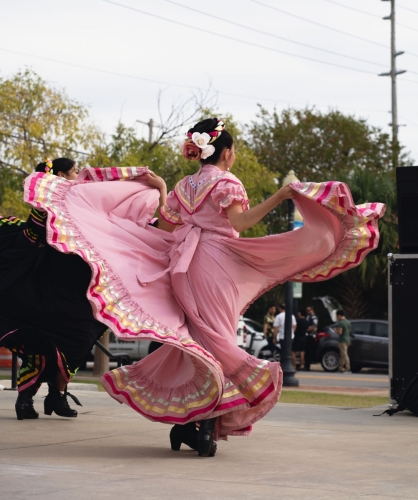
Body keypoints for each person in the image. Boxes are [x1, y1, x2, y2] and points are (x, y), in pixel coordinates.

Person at [20, 118, 385, 457]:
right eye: (234, 150)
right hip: (216, 263)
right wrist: (280, 196)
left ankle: (189, 423)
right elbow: (240, 220)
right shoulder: (227, 183)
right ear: (226, 152)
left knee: (199, 340)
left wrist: (133, 222)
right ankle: (205, 425)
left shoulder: (185, 186)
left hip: (185, 265)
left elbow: (165, 229)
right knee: (218, 339)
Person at [0, 158, 106, 420]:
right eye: (73, 171)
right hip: (44, 286)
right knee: (46, 340)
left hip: (71, 284)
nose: (78, 174)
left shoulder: (80, 203)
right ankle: (27, 399)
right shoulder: (47, 205)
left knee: (78, 338)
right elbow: (31, 237)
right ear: (61, 175)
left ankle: (55, 396)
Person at [303, 305, 319, 371]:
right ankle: (306, 365)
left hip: (311, 336)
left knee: (309, 351)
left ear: (312, 310)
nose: (307, 311)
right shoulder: (308, 317)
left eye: (309, 310)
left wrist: (306, 330)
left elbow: (314, 327)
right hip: (307, 335)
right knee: (306, 351)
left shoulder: (314, 317)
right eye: (307, 310)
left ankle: (307, 365)